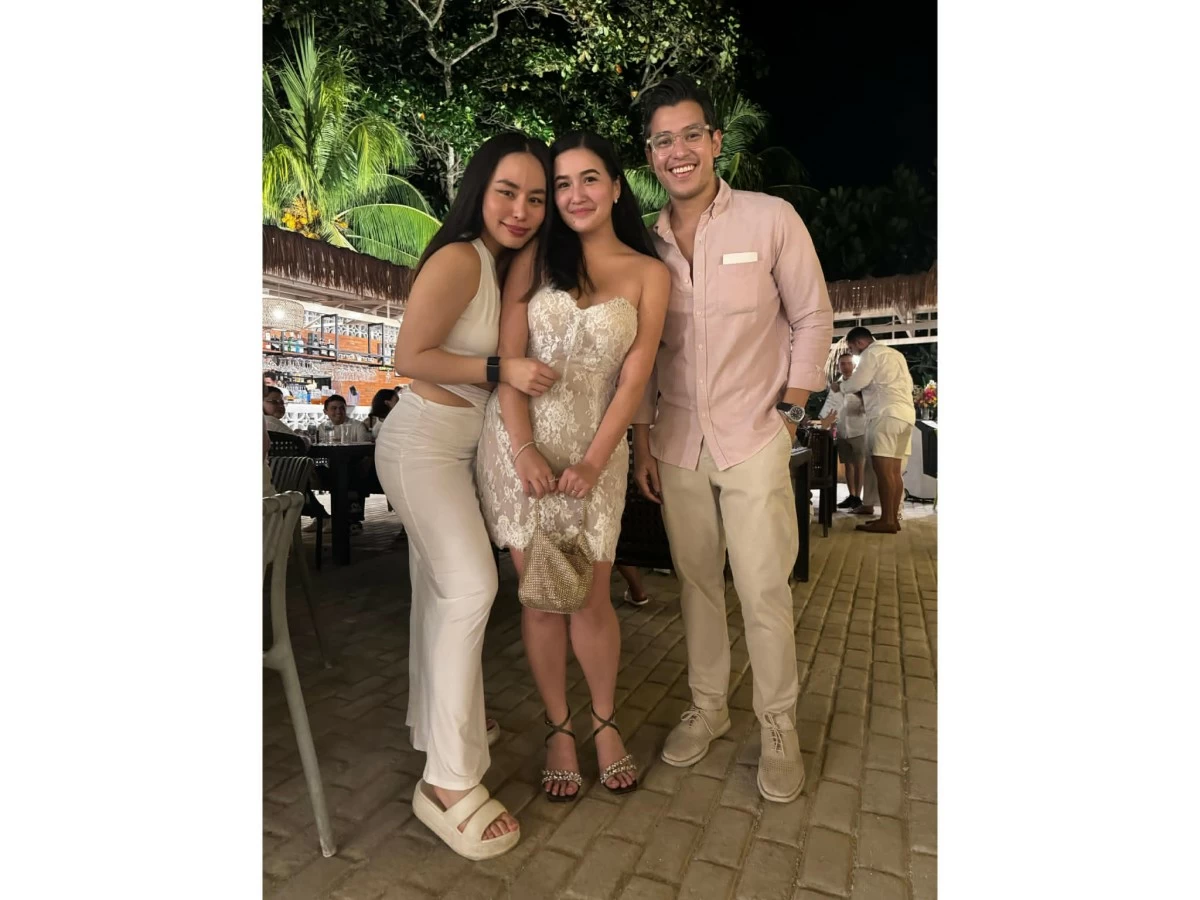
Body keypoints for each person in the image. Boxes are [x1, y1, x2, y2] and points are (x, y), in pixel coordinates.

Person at [630, 76, 833, 804]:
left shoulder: (770, 218)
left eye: (691, 135)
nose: (677, 151)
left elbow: (813, 316)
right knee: (693, 585)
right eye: (662, 141)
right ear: (649, 155)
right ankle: (709, 707)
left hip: (754, 435)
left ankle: (778, 724)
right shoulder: (643, 244)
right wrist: (643, 440)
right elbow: (643, 353)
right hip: (679, 441)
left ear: (717, 142)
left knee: (762, 588)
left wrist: (789, 409)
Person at [373, 132, 558, 860]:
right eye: (508, 191)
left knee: (439, 591)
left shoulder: (499, 266)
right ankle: (445, 783)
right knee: (472, 588)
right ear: (479, 189)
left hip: (453, 446)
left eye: (535, 198)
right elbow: (406, 356)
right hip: (421, 442)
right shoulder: (458, 257)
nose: (521, 208)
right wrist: (501, 367)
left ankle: (443, 726)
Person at [476, 131, 669, 801]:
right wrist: (525, 448)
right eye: (561, 184)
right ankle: (560, 729)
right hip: (520, 447)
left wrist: (594, 460)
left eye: (589, 179)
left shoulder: (650, 275)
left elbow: (636, 376)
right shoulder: (534, 258)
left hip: (597, 453)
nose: (574, 194)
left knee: (589, 596)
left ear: (617, 187)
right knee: (541, 598)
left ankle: (605, 721)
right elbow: (506, 360)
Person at [832, 326, 914, 534]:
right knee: (895, 472)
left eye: (853, 348)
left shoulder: (871, 354)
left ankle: (887, 520)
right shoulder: (896, 355)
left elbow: (856, 383)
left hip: (885, 414)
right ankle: (892, 519)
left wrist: (839, 387)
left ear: (859, 343)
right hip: (905, 414)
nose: (855, 353)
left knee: (884, 471)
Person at [817, 352, 867, 509]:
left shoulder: (860, 384)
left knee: (859, 464)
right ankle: (851, 495)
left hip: (859, 428)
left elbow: (868, 404)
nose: (845, 366)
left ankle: (859, 496)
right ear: (839, 366)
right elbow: (830, 405)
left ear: (853, 365)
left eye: (848, 363)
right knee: (848, 464)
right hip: (842, 429)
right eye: (842, 364)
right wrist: (825, 421)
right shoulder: (835, 386)